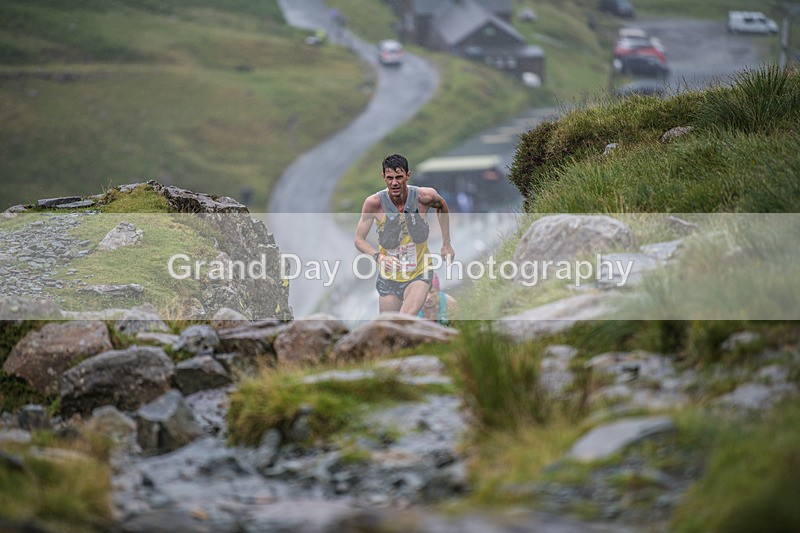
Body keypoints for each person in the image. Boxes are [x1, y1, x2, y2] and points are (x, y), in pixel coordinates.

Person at [355, 154, 454, 316]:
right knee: (389, 327)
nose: (394, 183)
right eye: (390, 178)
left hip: (419, 273)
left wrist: (447, 243)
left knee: (405, 319)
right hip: (389, 277)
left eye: (399, 177)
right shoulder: (374, 203)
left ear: (408, 175)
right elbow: (359, 240)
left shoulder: (424, 197)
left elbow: (442, 206)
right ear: (383, 177)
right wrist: (380, 257)